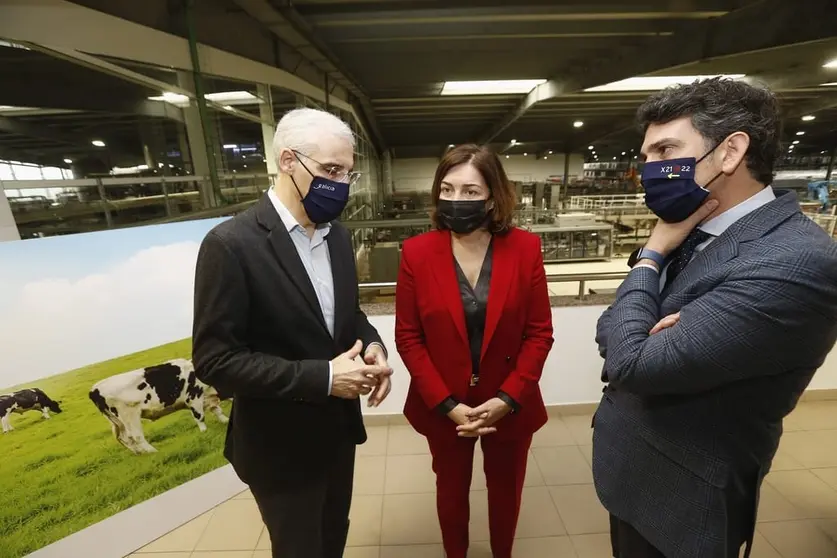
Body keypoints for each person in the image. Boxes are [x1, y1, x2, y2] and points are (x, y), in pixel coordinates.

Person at [593, 78, 837, 558]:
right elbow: (611, 329)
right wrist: (641, 324)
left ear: (731, 152)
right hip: (631, 471)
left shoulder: (796, 260)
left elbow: (632, 364)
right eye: (646, 156)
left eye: (666, 149)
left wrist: (650, 256)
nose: (650, 170)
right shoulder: (694, 228)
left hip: (685, 500)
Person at [192, 107, 393, 558]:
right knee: (299, 548)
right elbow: (215, 362)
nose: (341, 185)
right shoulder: (230, 246)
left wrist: (374, 348)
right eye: (330, 170)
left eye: (348, 173)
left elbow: (347, 317)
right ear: (288, 161)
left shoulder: (337, 237)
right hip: (279, 446)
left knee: (331, 538)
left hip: (338, 436)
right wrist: (324, 378)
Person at [395, 144, 554, 558]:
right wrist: (446, 404)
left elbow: (539, 334)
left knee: (506, 493)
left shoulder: (525, 249)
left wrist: (507, 398)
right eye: (447, 190)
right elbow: (409, 337)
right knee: (450, 494)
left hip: (509, 401)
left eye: (470, 192)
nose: (456, 201)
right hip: (444, 404)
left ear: (493, 196)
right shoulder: (416, 253)